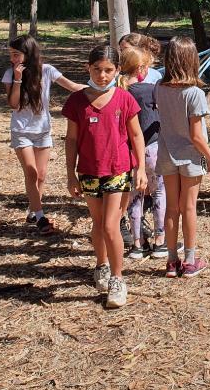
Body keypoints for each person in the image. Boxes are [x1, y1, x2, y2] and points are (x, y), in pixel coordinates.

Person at [62, 44, 148, 308]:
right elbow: (72, 139)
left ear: (118, 70)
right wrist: (70, 175)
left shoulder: (124, 99)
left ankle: (118, 279)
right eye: (97, 70)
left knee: (111, 225)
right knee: (98, 224)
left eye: (108, 70)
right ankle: (101, 265)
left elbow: (136, 135)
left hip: (118, 169)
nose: (102, 75)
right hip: (88, 171)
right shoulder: (77, 101)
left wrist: (141, 168)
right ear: (88, 68)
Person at [3, 35, 84, 234]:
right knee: (30, 172)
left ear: (28, 54)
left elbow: (72, 87)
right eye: (11, 55)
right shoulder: (10, 74)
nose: (12, 59)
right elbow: (13, 104)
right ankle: (40, 217)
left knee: (41, 174)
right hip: (22, 130)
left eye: (16, 55)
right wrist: (17, 79)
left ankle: (33, 210)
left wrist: (103, 89)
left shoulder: (46, 71)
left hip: (43, 130)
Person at [154, 36, 210, 279]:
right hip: (191, 157)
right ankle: (190, 260)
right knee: (189, 207)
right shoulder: (195, 93)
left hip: (167, 153)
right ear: (192, 60)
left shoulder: (159, 87)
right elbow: (197, 136)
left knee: (172, 208)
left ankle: (172, 261)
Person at [118, 45, 168, 260]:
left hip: (126, 152)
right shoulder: (151, 90)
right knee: (158, 193)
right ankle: (160, 241)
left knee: (134, 197)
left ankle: (137, 244)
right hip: (152, 149)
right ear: (140, 68)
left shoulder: (118, 92)